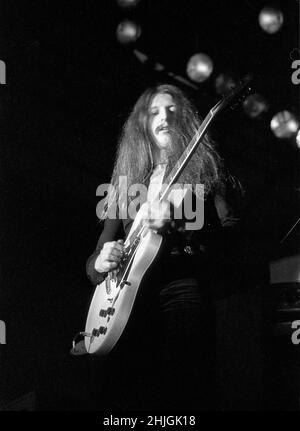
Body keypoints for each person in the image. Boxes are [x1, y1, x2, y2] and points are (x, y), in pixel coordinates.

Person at [86, 83, 242, 410]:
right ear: (141, 124)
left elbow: (231, 239)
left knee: (184, 387)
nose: (164, 117)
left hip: (180, 288)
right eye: (154, 111)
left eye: (172, 110)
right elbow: (97, 257)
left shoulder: (205, 172)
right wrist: (100, 263)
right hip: (126, 297)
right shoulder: (126, 182)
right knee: (129, 391)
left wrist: (176, 228)